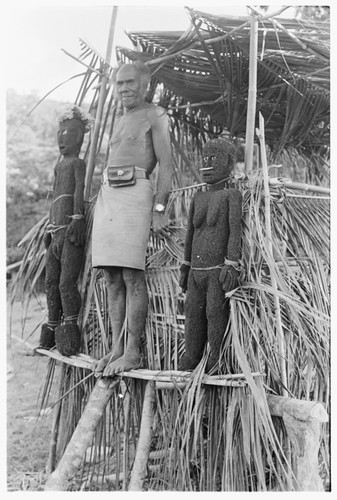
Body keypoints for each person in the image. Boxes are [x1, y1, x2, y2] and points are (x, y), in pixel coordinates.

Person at [92, 61, 172, 376]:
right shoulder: (121, 119)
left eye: (129, 83)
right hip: (109, 195)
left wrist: (160, 208)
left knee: (130, 276)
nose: (124, 88)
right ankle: (116, 349)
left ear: (145, 84)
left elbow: (166, 164)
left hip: (136, 191)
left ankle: (133, 351)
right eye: (119, 83)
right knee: (111, 277)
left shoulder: (156, 115)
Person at [178, 138, 242, 373]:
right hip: (195, 271)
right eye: (205, 158)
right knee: (192, 313)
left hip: (216, 271)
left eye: (213, 158)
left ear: (228, 162)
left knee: (215, 312)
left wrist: (231, 263)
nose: (207, 163)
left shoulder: (231, 196)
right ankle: (192, 356)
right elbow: (190, 234)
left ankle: (216, 357)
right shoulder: (198, 198)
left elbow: (234, 231)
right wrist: (185, 266)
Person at [40, 104, 93, 356]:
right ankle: (51, 327)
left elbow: (78, 192)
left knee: (65, 284)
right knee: (50, 282)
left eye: (69, 133)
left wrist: (77, 218)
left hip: (71, 232)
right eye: (60, 133)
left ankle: (69, 331)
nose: (62, 138)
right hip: (55, 231)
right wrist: (49, 227)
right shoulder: (59, 166)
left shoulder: (77, 164)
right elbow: (56, 197)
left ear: (80, 137)